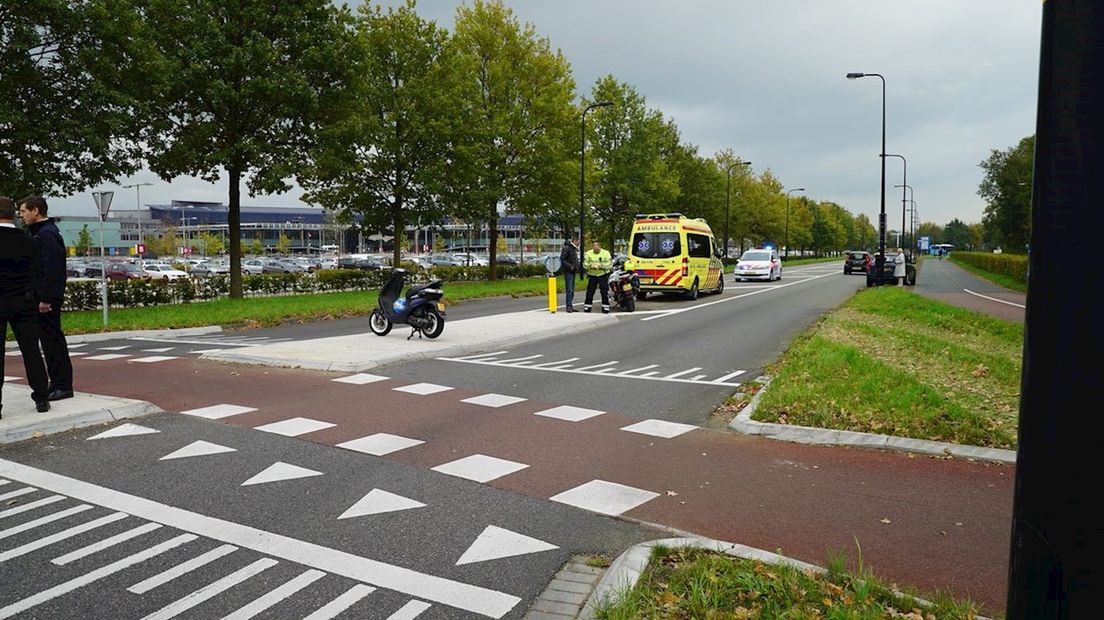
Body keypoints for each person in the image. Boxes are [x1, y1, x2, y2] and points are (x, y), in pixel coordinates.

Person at [18, 195, 74, 401]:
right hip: (43, 297)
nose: (22, 216)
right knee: (49, 340)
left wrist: (47, 298)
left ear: (35, 211)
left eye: (24, 211)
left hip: (46, 299)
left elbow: (52, 269)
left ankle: (62, 385)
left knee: (52, 341)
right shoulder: (42, 233)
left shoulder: (47, 235)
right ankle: (57, 383)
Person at [0, 197, 51, 416]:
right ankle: (41, 398)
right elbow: (38, 274)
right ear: (13, 215)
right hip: (24, 303)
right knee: (31, 351)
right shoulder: (30, 241)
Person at [582, 240, 612, 313]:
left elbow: (610, 264)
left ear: (599, 246)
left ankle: (605, 307)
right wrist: (590, 266)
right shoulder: (588, 253)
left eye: (597, 247)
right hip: (592, 275)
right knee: (590, 292)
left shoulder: (606, 253)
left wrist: (601, 266)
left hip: (602, 274)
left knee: (604, 292)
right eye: (594, 247)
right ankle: (587, 307)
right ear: (592, 247)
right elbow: (584, 264)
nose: (595, 249)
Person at [559, 236, 580, 312]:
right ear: (574, 241)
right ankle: (568, 306)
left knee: (571, 289)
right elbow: (562, 259)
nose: (579, 243)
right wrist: (571, 267)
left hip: (572, 271)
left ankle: (570, 305)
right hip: (569, 271)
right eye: (578, 241)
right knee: (570, 289)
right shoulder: (567, 248)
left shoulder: (572, 248)